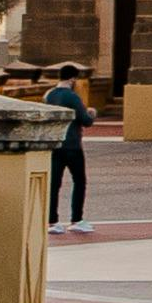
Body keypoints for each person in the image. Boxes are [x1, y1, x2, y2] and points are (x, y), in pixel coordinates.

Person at [43, 66, 93, 236]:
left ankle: (53, 221)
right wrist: (91, 114)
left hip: (55, 145)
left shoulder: (49, 95)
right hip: (72, 145)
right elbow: (85, 120)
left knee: (54, 184)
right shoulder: (72, 97)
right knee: (79, 181)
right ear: (72, 79)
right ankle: (76, 219)